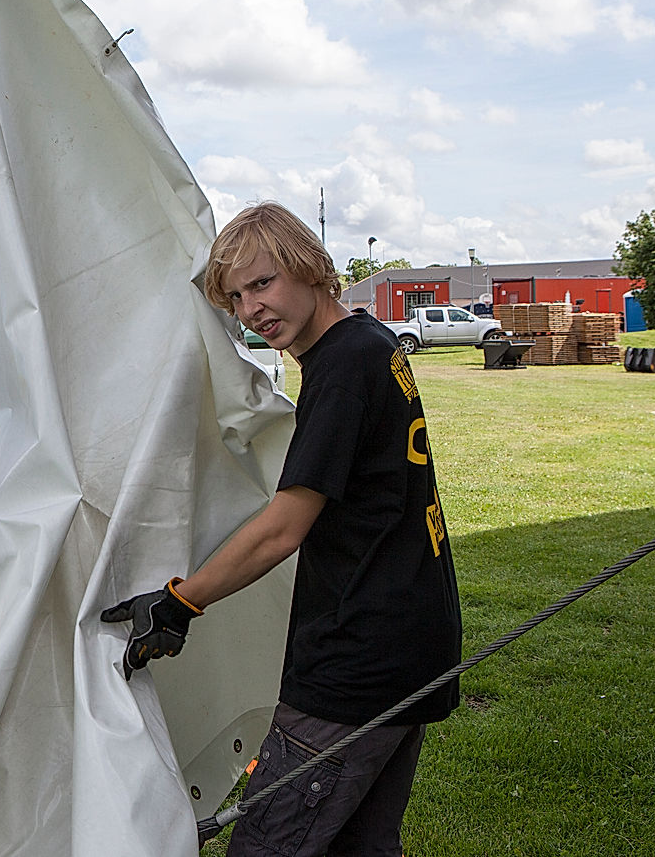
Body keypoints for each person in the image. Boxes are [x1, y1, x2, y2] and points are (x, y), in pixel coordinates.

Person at [101, 202, 461, 856]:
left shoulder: (345, 368)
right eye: (235, 298)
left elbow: (282, 529)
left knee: (270, 843)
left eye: (262, 283)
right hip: (411, 646)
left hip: (355, 664)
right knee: (360, 843)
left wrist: (181, 601)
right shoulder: (368, 343)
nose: (252, 309)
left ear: (309, 267)